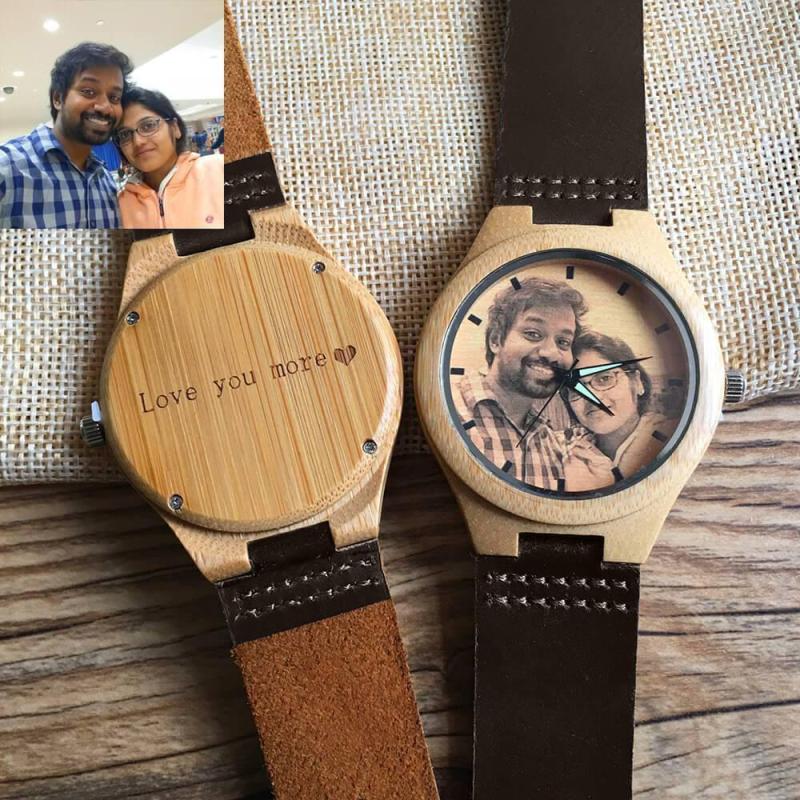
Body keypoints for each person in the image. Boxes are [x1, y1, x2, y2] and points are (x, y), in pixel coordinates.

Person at [454, 276, 586, 489]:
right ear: (496, 340)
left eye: (563, 342)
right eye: (533, 334)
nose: (551, 353)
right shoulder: (452, 410)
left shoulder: (552, 444)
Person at [0, 42, 133, 229]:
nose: (105, 107)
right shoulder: (8, 168)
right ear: (57, 98)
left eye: (114, 98)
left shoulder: (106, 182)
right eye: (88, 92)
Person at [561, 331, 667, 491]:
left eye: (604, 378)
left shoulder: (669, 438)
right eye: (576, 388)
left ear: (637, 382)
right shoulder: (568, 457)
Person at [116, 87, 223, 229]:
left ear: (175, 128)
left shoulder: (219, 171)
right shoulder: (119, 206)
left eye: (148, 126)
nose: (138, 141)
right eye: (125, 134)